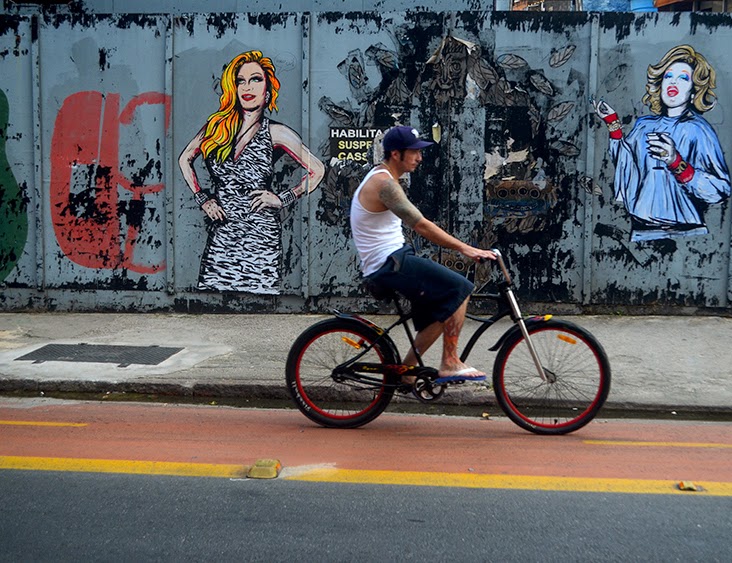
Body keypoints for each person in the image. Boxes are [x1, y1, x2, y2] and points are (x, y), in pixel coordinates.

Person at [350, 125, 496, 384]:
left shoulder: (385, 177)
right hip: (388, 263)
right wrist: (465, 248)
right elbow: (420, 225)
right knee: (460, 288)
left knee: (443, 308)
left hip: (394, 258)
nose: (419, 157)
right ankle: (450, 362)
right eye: (414, 152)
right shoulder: (384, 184)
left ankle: (406, 373)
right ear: (396, 154)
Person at [179, 50, 325, 294]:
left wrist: (282, 199)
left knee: (260, 302)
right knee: (212, 302)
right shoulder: (217, 128)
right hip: (223, 237)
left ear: (268, 90)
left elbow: (317, 170)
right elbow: (185, 159)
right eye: (241, 81)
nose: (247, 86)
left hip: (260, 241)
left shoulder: (276, 132)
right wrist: (203, 199)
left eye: (256, 79)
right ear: (233, 88)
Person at [591, 45, 731, 242]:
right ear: (660, 84)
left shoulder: (698, 130)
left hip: (687, 233)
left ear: (694, 92)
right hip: (641, 230)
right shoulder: (644, 126)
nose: (673, 81)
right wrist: (612, 123)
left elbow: (720, 189)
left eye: (683, 78)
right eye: (668, 76)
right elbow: (625, 167)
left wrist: (676, 162)